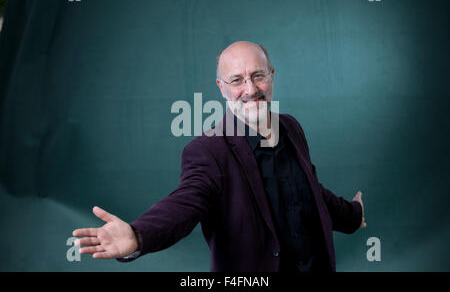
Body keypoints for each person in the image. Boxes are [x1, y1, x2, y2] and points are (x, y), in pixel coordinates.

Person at [72, 41, 366, 272]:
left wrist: (353, 215)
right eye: (237, 80)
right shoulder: (207, 150)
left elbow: (309, 190)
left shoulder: (290, 127)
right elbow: (185, 203)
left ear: (271, 76)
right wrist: (138, 237)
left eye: (258, 76)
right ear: (221, 88)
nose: (250, 90)